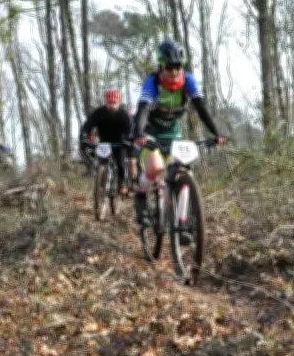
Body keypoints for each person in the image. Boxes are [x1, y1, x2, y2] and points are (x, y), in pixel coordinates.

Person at [132, 39, 226, 226]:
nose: (174, 71)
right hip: (151, 133)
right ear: (161, 66)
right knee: (156, 168)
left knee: (184, 172)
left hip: (174, 134)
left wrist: (217, 132)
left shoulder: (188, 80)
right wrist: (139, 133)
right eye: (169, 67)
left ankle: (182, 221)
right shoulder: (153, 82)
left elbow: (201, 107)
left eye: (178, 66)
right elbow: (142, 109)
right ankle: (141, 195)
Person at [79, 88, 133, 195]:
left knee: (121, 162)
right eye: (109, 102)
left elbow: (130, 129)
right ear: (105, 101)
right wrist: (84, 137)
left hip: (120, 142)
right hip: (104, 142)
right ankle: (97, 175)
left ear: (119, 102)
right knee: (97, 159)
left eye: (114, 102)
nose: (112, 105)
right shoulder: (99, 112)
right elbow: (87, 126)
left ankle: (122, 182)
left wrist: (128, 139)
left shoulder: (124, 114)